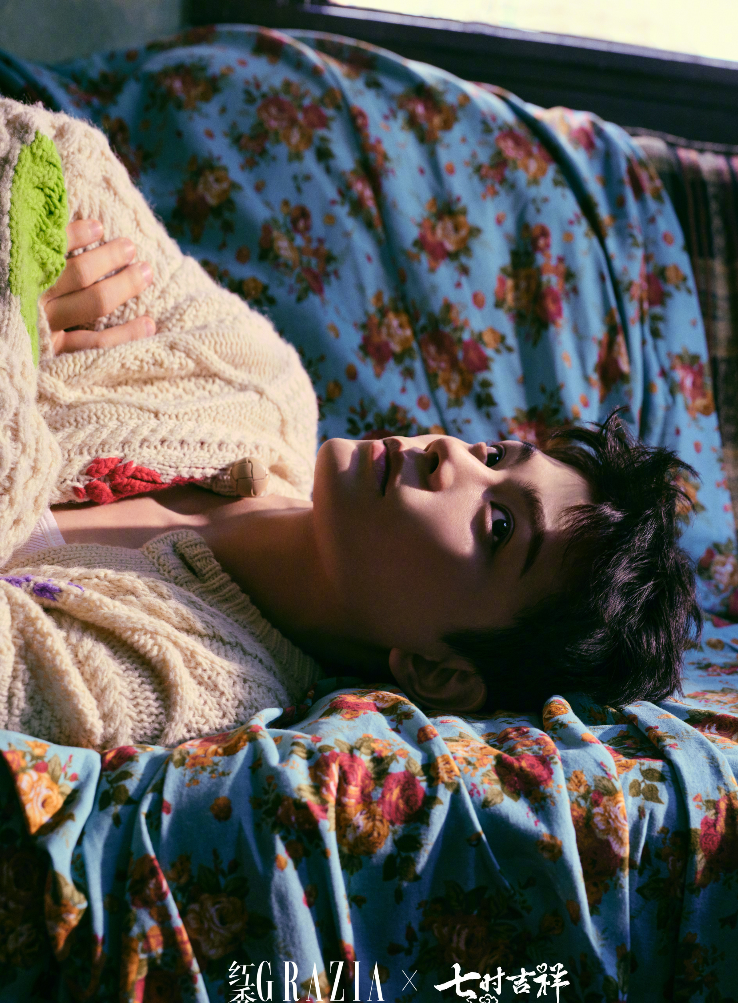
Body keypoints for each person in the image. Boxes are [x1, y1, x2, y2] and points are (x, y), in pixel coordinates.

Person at [0, 98, 700, 752]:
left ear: (440, 671)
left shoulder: (197, 680)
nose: (451, 455)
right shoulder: (255, 380)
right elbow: (45, 150)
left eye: (499, 525)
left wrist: (23, 323)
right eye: (494, 454)